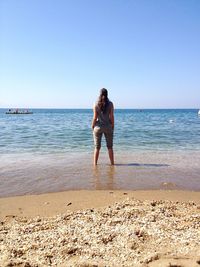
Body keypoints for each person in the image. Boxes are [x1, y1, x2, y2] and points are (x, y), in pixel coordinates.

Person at [92, 88, 114, 165]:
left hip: (98, 127)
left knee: (97, 147)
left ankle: (95, 164)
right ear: (107, 94)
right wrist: (113, 126)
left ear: (100, 94)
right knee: (110, 147)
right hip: (108, 126)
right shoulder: (110, 104)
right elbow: (111, 117)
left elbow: (95, 117)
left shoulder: (95, 104)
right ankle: (112, 164)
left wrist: (92, 126)